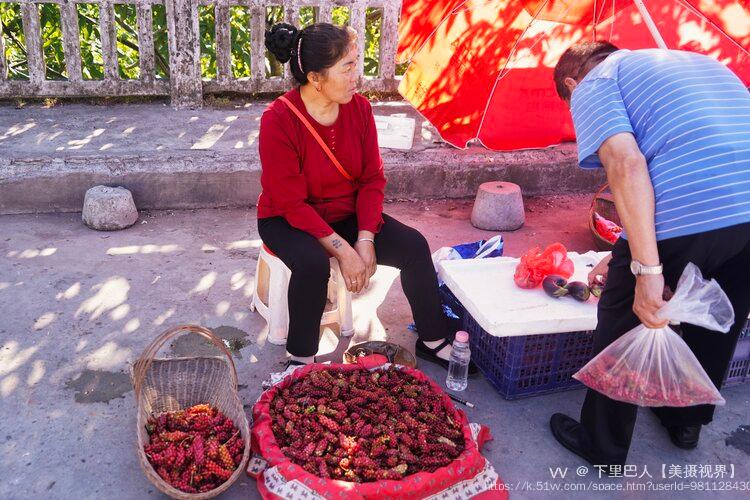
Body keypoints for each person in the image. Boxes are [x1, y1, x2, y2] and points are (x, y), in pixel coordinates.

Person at [549, 42, 750, 468]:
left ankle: (602, 445)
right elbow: (686, 152)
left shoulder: (594, 82)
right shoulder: (698, 63)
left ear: (571, 83)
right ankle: (687, 422)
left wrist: (647, 269)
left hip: (692, 207)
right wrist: (627, 244)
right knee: (714, 314)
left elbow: (626, 164)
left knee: (625, 310)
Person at [259, 22, 477, 373]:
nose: (355, 76)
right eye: (346, 67)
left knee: (414, 245)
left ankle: (433, 338)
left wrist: (365, 238)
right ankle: (300, 358)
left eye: (355, 63)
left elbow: (372, 180)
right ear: (316, 78)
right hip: (286, 220)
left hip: (344, 212)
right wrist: (344, 252)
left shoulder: (358, 109)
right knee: (313, 262)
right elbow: (290, 203)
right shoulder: (279, 120)